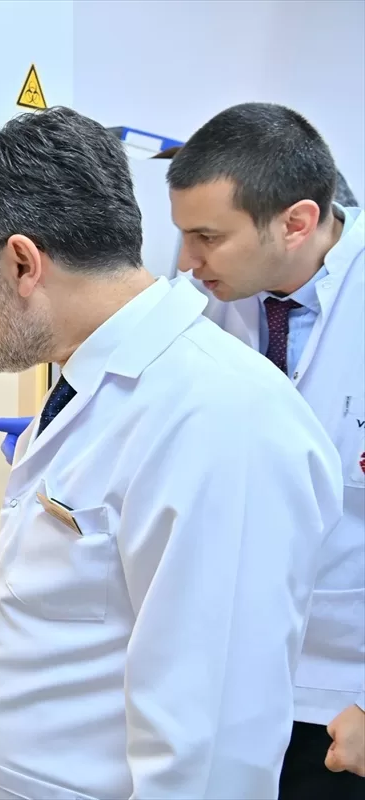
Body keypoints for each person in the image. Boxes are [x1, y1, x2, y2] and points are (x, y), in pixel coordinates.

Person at [0, 106, 343, 798]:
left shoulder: (222, 422)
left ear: (22, 262)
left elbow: (209, 757)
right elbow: (81, 597)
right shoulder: (87, 379)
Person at [166, 103, 365, 795]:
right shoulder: (205, 294)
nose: (187, 262)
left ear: (297, 222)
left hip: (342, 699)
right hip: (219, 679)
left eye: (207, 238)